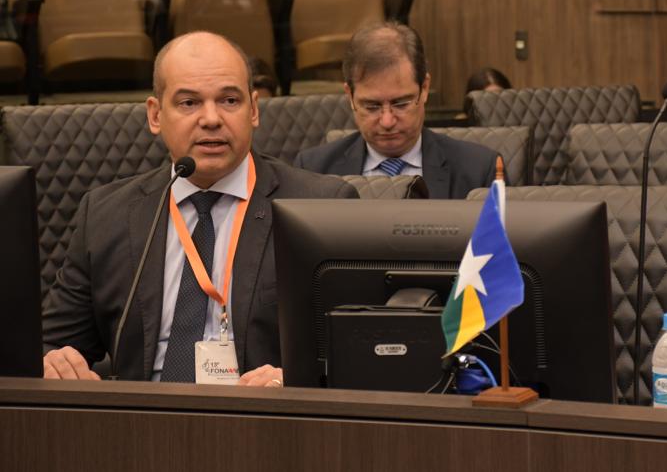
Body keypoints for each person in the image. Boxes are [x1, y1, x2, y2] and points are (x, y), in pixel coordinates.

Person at [41, 32, 358, 385]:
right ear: (155, 114)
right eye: (189, 103)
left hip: (268, 423)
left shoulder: (319, 207)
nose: (211, 118)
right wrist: (54, 361)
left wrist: (298, 380)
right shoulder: (105, 215)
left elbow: (358, 353)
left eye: (229, 100)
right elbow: (52, 343)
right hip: (142, 423)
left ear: (253, 110)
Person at [295, 23, 498, 198]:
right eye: (372, 106)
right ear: (349, 96)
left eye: (401, 104)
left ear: (424, 88)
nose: (387, 121)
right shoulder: (314, 171)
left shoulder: (478, 170)